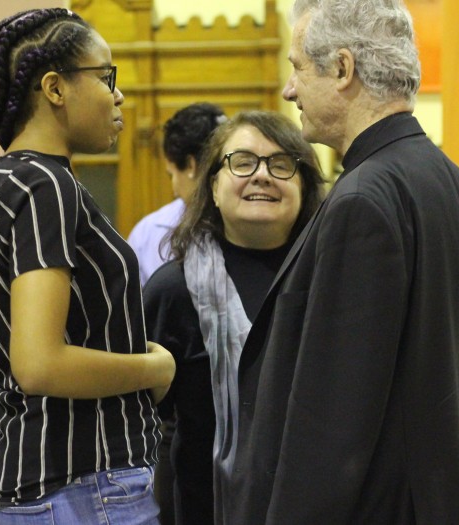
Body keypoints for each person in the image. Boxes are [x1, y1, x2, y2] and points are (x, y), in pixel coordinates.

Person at [228, 1, 459, 523]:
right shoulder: (447, 179)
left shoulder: (363, 200)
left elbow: (333, 422)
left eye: (298, 67)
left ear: (343, 69)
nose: (289, 90)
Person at [0, 9, 175, 524]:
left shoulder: (5, 182)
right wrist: (155, 366)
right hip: (86, 482)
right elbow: (39, 363)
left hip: (49, 480)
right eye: (106, 77)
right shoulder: (45, 186)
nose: (118, 95)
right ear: (55, 88)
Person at [143, 110, 325, 524]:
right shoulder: (172, 291)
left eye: (281, 165)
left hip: (315, 505)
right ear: (213, 186)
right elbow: (136, 422)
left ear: (304, 187)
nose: (262, 175)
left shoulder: (331, 285)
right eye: (242, 162)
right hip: (201, 507)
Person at [127, 102, 226, 525]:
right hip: (180, 418)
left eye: (171, 174)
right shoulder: (155, 235)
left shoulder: (152, 232)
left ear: (187, 165)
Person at [128, 102, 227, 287]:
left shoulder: (147, 233)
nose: (173, 190)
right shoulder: (148, 232)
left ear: (190, 165)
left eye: (171, 175)